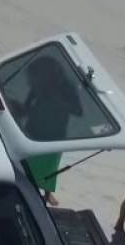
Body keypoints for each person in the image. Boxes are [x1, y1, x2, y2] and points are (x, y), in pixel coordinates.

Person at [9, 56, 83, 206]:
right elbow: (28, 105)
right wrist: (18, 108)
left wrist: (59, 102)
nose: (34, 80)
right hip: (34, 127)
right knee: (30, 160)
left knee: (50, 164)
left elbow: (78, 111)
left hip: (55, 132)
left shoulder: (67, 87)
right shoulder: (39, 84)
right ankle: (26, 186)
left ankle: (47, 193)